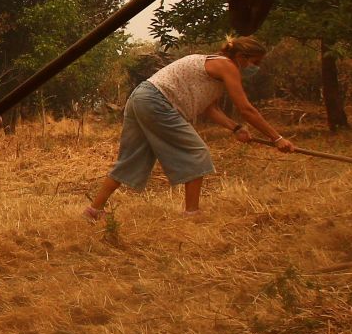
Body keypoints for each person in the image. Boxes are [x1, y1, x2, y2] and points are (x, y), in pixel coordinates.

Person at [85, 36, 293, 220]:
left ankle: (95, 210)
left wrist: (235, 128)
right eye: (255, 62)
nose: (255, 67)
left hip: (141, 97)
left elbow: (210, 109)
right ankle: (192, 213)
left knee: (131, 158)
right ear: (241, 56)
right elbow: (246, 109)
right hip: (158, 101)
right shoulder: (227, 66)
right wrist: (277, 138)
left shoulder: (214, 66)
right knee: (197, 153)